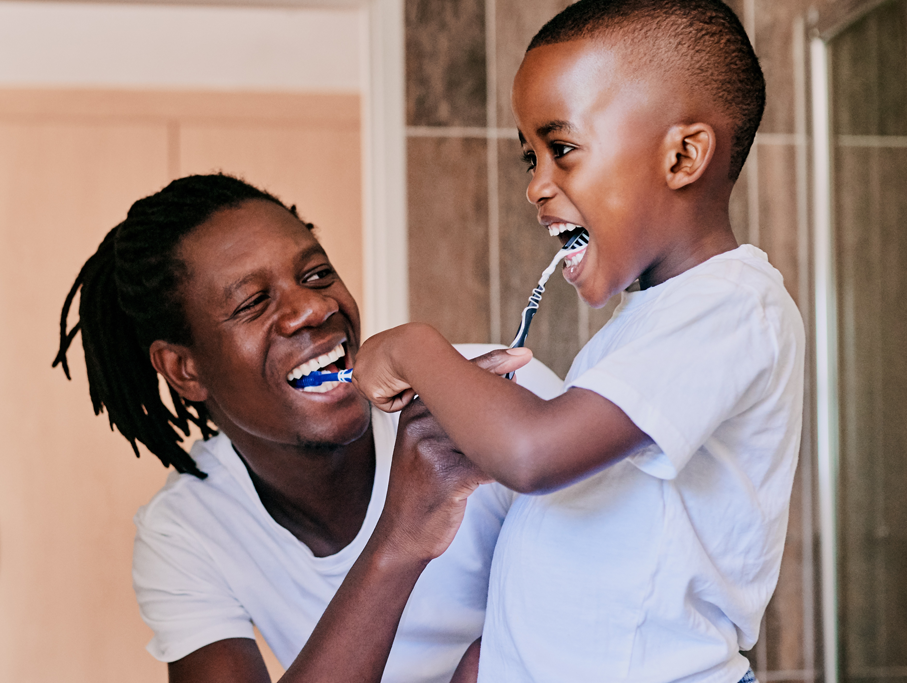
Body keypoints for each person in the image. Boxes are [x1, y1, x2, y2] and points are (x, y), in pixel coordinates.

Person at [351, 1, 805, 681]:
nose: (536, 186)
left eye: (560, 149)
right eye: (529, 157)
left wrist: (416, 347)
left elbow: (534, 454)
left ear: (683, 155)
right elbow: (584, 531)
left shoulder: (734, 305)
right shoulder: (647, 322)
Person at [52, 174, 563, 683]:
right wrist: (404, 534)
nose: (315, 308)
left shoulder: (489, 393)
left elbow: (608, 622)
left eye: (316, 275)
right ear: (185, 370)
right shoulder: (188, 531)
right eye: (253, 302)